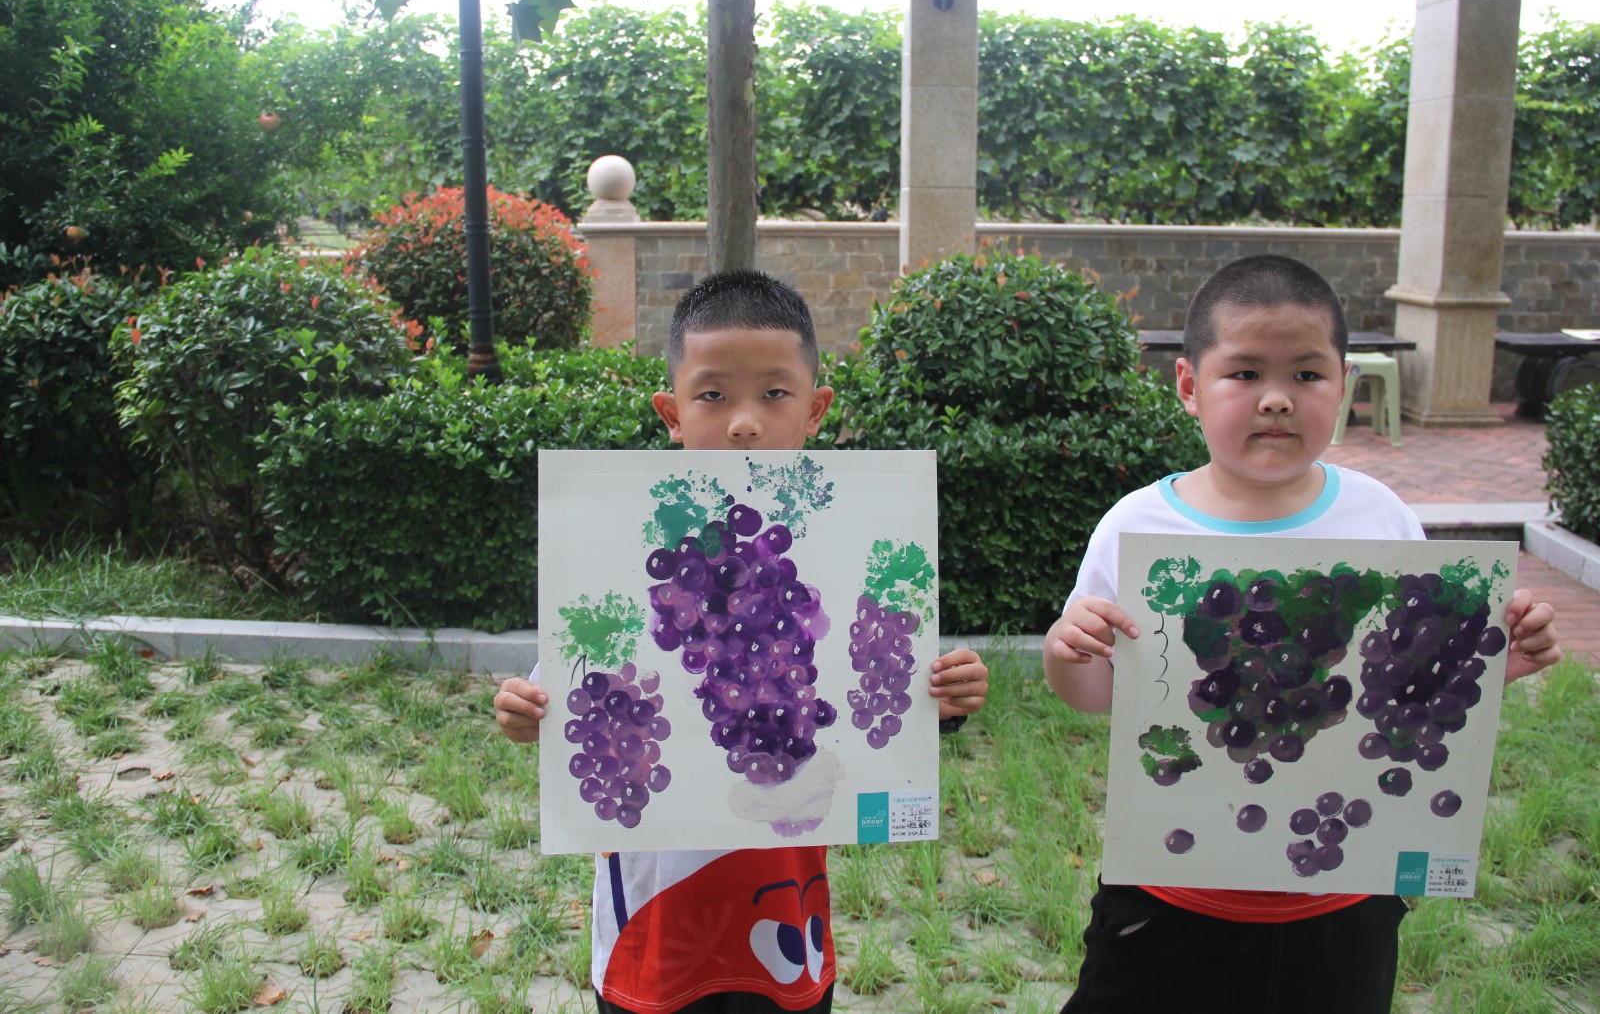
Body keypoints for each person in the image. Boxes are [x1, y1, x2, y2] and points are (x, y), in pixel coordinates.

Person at [1043, 254, 1562, 1013]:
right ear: (1188, 386)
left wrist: (1488, 667)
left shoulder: (1381, 517)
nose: (1277, 399)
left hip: (1344, 894)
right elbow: (1093, 696)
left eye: (1308, 375)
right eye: (1245, 373)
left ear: (1344, 385)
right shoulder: (1137, 525)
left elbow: (1408, 685)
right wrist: (1067, 647)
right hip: (1170, 891)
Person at [494, 270, 991, 1014]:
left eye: (775, 393)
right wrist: (524, 709)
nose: (744, 423)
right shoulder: (621, 542)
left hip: (787, 918)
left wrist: (945, 696)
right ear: (672, 412)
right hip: (653, 926)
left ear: (816, 409)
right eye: (713, 395)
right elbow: (565, 693)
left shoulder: (848, 543)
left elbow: (884, 698)